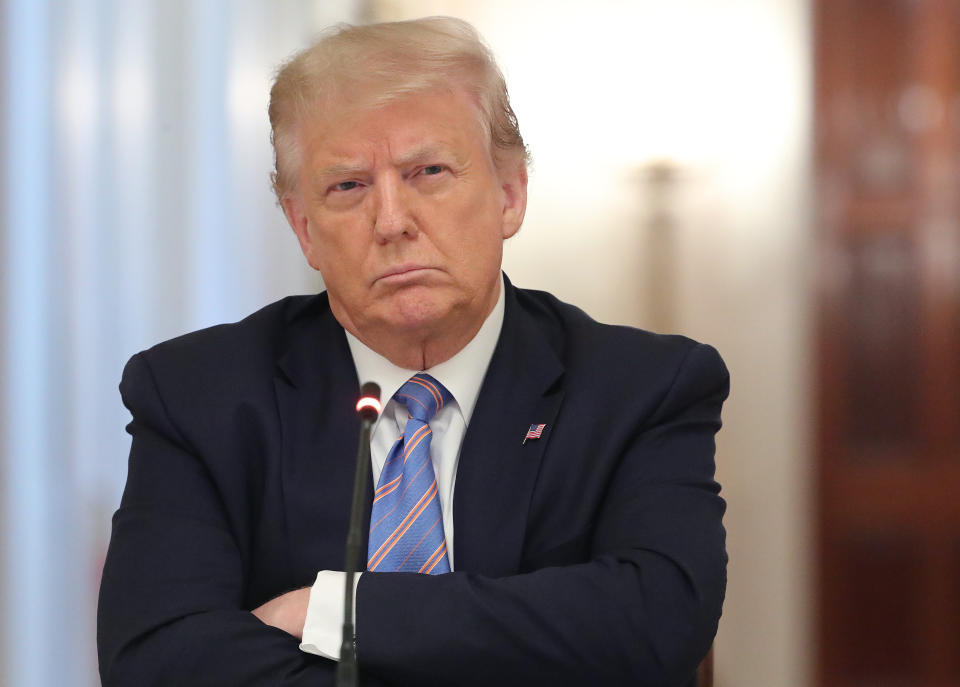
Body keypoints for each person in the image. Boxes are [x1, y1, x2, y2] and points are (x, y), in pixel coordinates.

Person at [97, 16, 729, 687]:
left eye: (428, 171)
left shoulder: (641, 389)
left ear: (510, 194)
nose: (392, 221)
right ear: (303, 229)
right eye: (348, 186)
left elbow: (655, 624)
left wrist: (341, 609)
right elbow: (156, 660)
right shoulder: (198, 395)